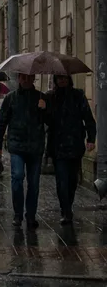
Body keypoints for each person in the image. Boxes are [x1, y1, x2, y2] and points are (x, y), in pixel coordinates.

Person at [0, 73, 47, 229]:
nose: (26, 80)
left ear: (34, 78)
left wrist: (45, 109)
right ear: (19, 79)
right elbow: (2, 121)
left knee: (34, 183)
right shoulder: (11, 98)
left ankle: (30, 215)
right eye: (23, 78)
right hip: (16, 145)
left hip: (35, 147)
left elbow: (49, 121)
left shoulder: (41, 97)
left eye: (29, 77)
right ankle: (18, 214)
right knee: (17, 177)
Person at [45, 74, 96, 224]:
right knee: (61, 180)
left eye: (65, 78)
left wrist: (91, 139)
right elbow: (47, 121)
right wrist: (44, 109)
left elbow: (88, 118)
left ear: (69, 79)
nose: (62, 81)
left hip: (75, 144)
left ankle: (68, 206)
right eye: (59, 78)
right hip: (57, 146)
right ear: (55, 80)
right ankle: (65, 210)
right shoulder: (50, 97)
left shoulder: (78, 95)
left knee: (72, 180)